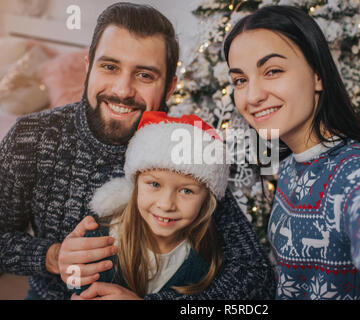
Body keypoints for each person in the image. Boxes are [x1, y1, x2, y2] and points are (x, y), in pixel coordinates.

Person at [0, 2, 275, 300]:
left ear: (170, 87)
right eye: (110, 67)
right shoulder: (33, 137)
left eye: (145, 75)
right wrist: (50, 256)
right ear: (88, 66)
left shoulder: (186, 147)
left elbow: (255, 274)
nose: (122, 89)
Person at [223, 5, 360, 299]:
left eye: (273, 71)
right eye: (240, 80)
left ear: (318, 75)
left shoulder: (359, 171)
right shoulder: (291, 164)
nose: (252, 96)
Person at [70, 111, 228, 299]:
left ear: (206, 200)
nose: (166, 204)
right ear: (136, 185)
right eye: (154, 184)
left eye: (186, 191)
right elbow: (75, 284)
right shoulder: (99, 241)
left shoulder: (202, 258)